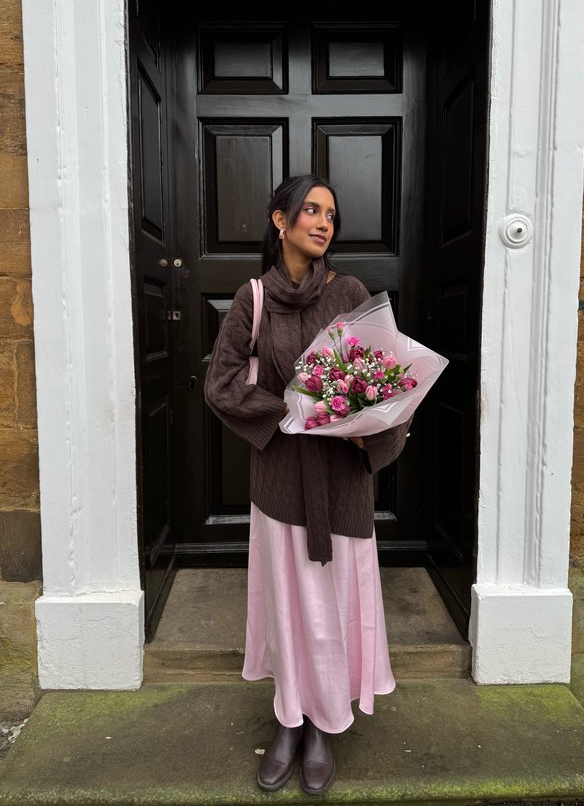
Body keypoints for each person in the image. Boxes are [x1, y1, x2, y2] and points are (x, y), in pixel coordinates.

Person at [204, 174, 412, 795]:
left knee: (333, 606)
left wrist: (361, 430)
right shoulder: (253, 299)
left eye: (331, 215)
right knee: (290, 606)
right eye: (311, 211)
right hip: (280, 484)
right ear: (280, 220)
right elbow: (220, 385)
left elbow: (389, 383)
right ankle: (289, 719)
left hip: (342, 487)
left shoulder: (349, 293)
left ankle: (325, 724)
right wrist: (293, 414)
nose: (323, 222)